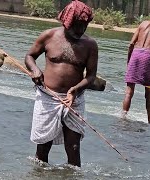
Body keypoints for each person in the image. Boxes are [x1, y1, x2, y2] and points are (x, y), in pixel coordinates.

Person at [25, 0, 98, 167]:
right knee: (43, 147)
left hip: (74, 100)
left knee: (73, 147)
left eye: (84, 26)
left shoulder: (90, 45)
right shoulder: (48, 36)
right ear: (67, 21)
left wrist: (76, 89)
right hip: (47, 97)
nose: (80, 30)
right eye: (76, 26)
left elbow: (91, 76)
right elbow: (30, 56)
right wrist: (35, 70)